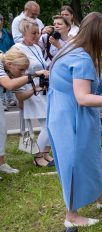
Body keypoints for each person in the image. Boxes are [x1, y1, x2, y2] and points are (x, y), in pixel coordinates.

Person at [47, 12, 102, 227]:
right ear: (97, 36)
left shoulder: (70, 46)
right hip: (70, 116)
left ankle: (101, 197)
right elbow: (83, 97)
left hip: (68, 111)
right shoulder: (81, 58)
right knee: (73, 161)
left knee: (91, 154)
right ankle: (72, 215)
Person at [0, 48, 47, 177]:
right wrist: (34, 75)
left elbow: (20, 98)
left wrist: (35, 88)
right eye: (21, 70)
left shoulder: (13, 73)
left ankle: (2, 164)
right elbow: (9, 85)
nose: (23, 73)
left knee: (3, 131)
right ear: (10, 64)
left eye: (25, 70)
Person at [13, 19, 53, 167]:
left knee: (50, 123)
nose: (37, 36)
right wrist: (38, 73)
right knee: (48, 124)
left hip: (42, 89)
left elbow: (41, 63)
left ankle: (44, 153)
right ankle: (37, 156)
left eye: (38, 32)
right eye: (33, 33)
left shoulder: (36, 47)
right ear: (24, 32)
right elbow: (17, 71)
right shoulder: (17, 48)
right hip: (30, 89)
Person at [0, 13, 16, 111]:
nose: (0, 22)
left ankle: (10, 99)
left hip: (8, 60)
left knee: (9, 78)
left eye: (1, 20)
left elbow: (13, 46)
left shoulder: (8, 33)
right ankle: (2, 102)